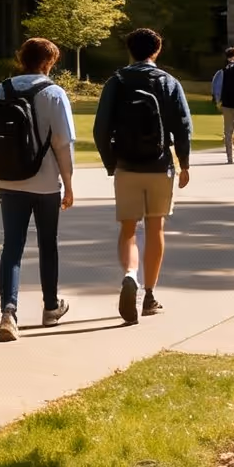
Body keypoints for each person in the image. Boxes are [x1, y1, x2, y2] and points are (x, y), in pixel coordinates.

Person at [93, 26, 192, 324]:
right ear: (157, 50)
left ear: (129, 50)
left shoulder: (117, 81)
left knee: (127, 231)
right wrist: (184, 163)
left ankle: (129, 275)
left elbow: (100, 129)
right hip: (160, 166)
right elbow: (183, 127)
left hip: (126, 165)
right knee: (155, 229)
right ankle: (149, 295)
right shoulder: (169, 82)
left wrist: (112, 163)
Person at [0, 35, 77, 340]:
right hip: (45, 181)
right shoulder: (53, 93)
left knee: (11, 248)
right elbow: (63, 144)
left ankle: (8, 312)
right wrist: (69, 184)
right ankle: (51, 308)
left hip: (10, 180)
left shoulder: (3, 88)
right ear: (49, 62)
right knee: (47, 244)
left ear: (21, 58)